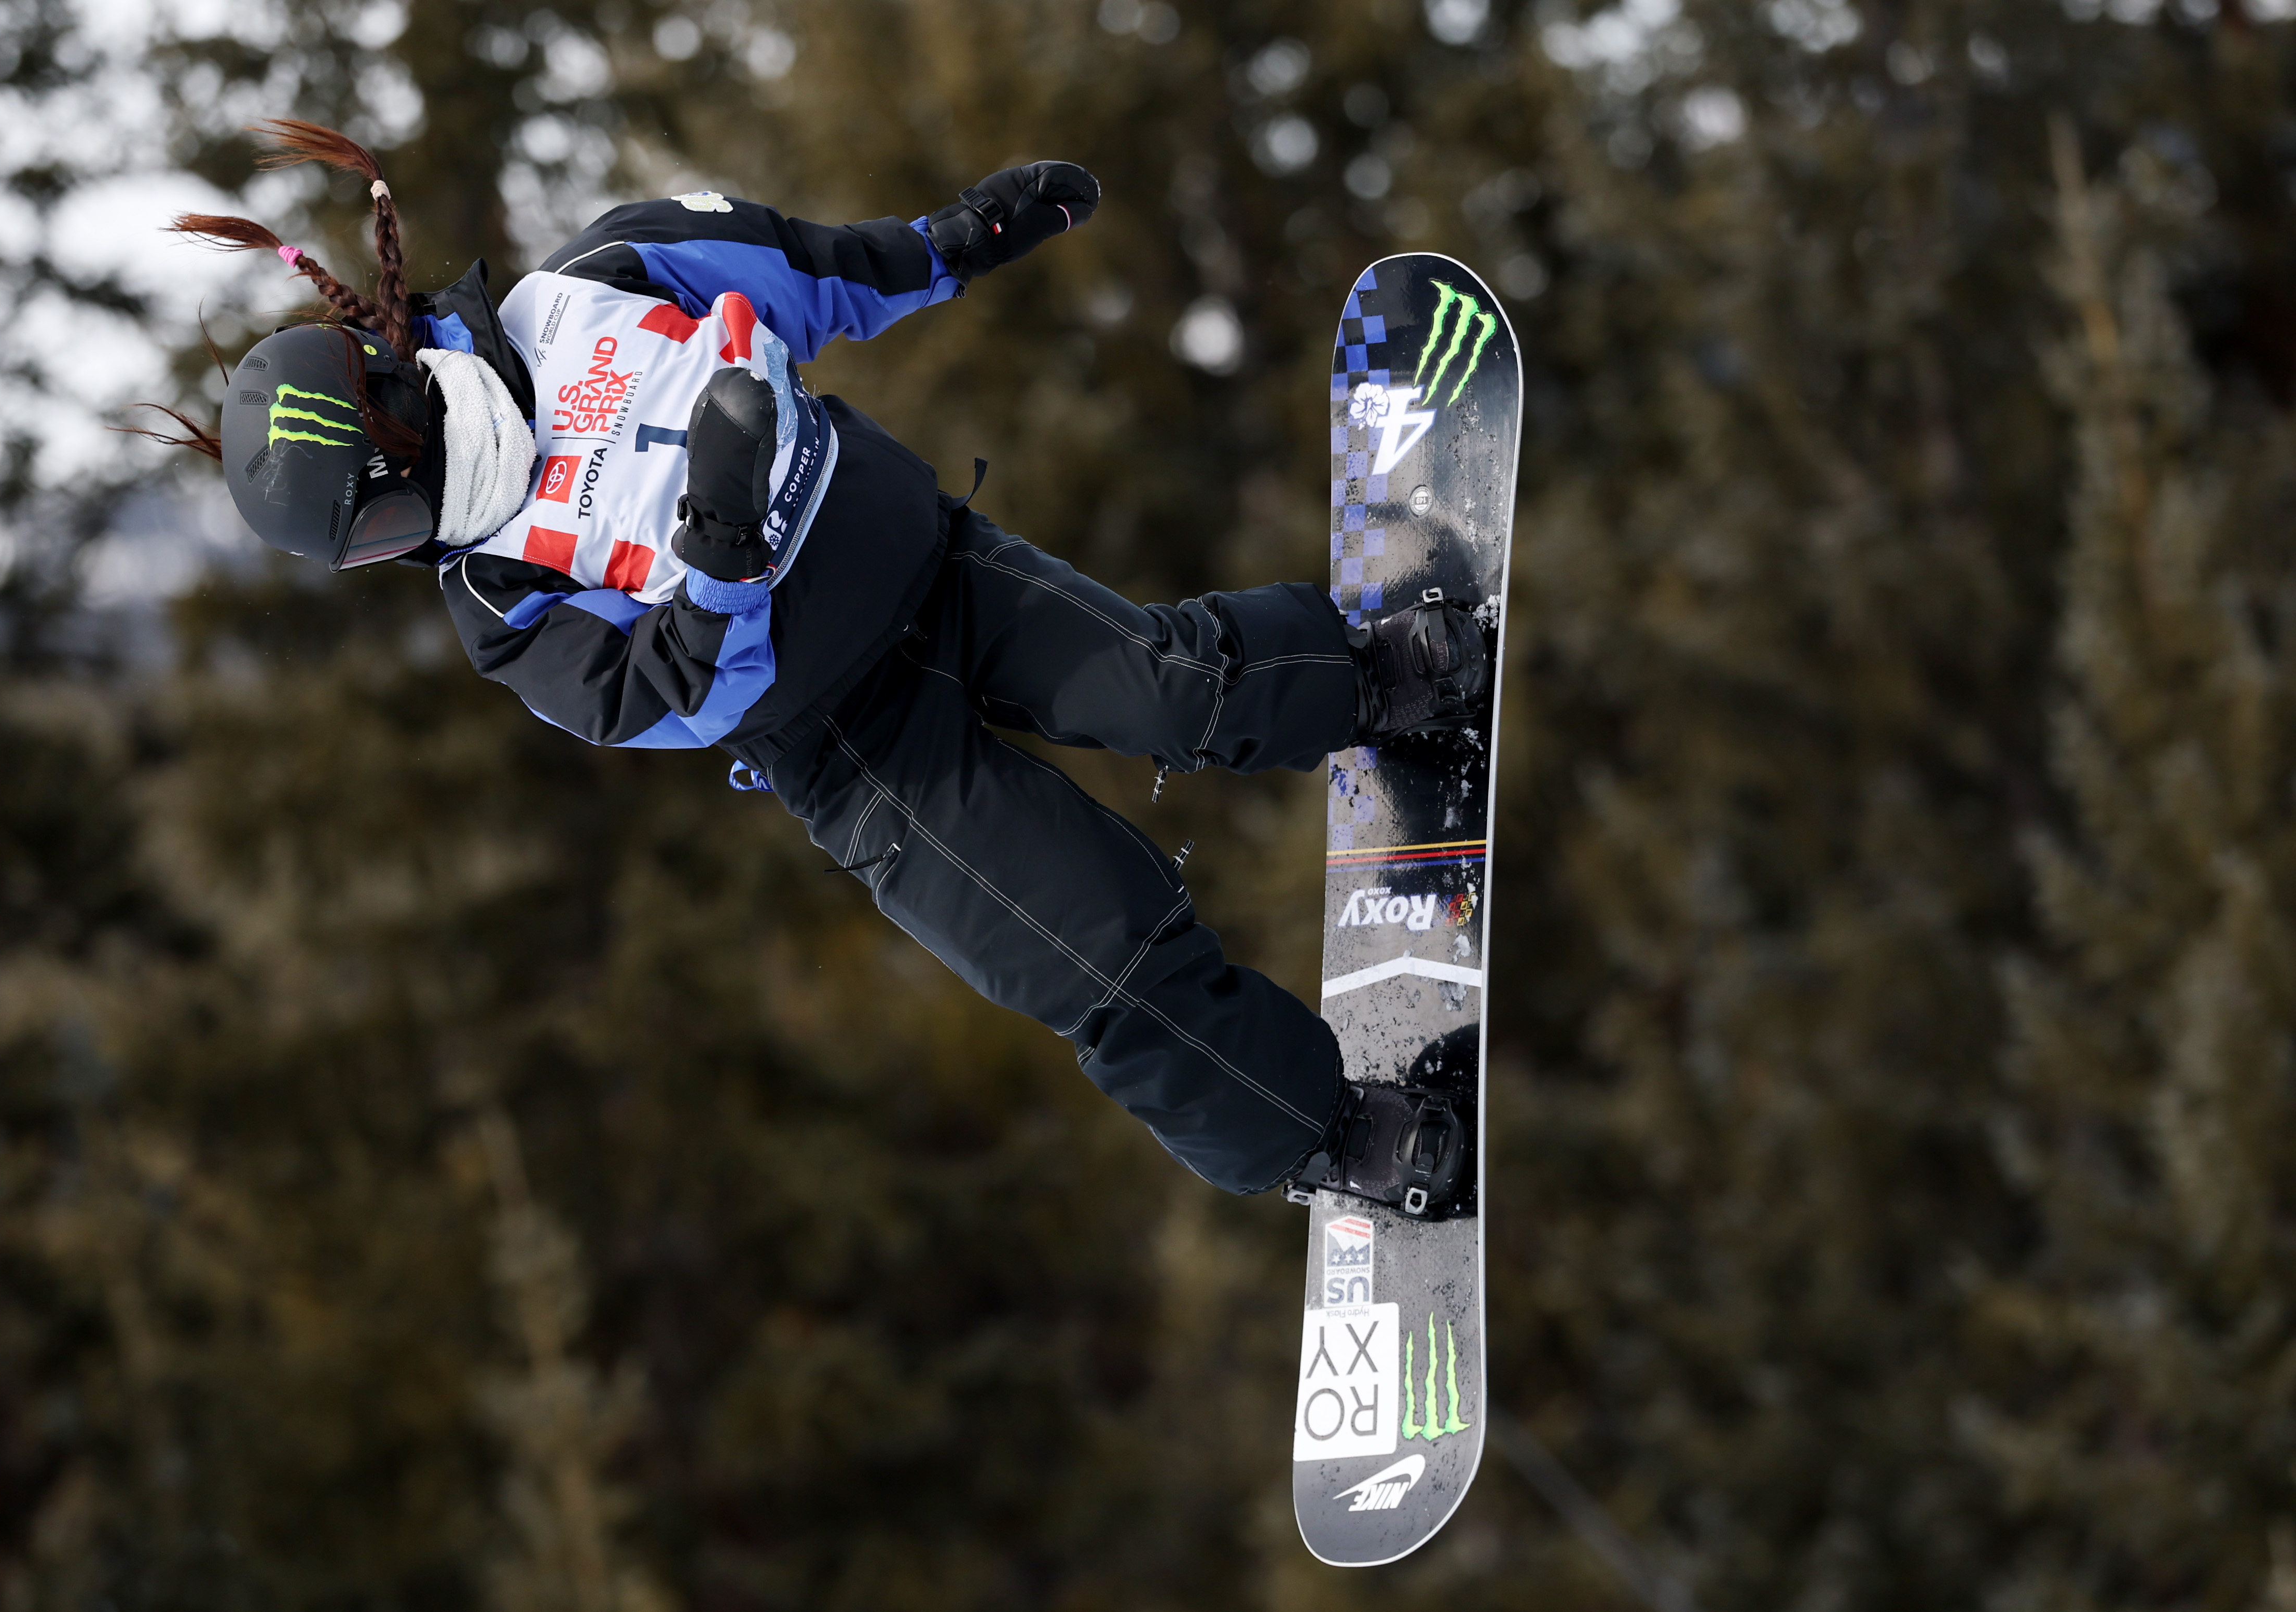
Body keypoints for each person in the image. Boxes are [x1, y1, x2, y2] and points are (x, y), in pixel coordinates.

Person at [144, 120, 1491, 1211]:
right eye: (377, 548)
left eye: (386, 511)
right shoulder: (501, 596)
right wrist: (719, 549)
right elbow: (677, 696)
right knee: (1099, 949)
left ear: (393, 393)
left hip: (934, 567)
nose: (408, 543)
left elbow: (800, 266)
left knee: (1172, 681)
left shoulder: (584, 298)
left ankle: (1370, 677)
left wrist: (956, 243)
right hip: (858, 751)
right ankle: (1321, 1134)